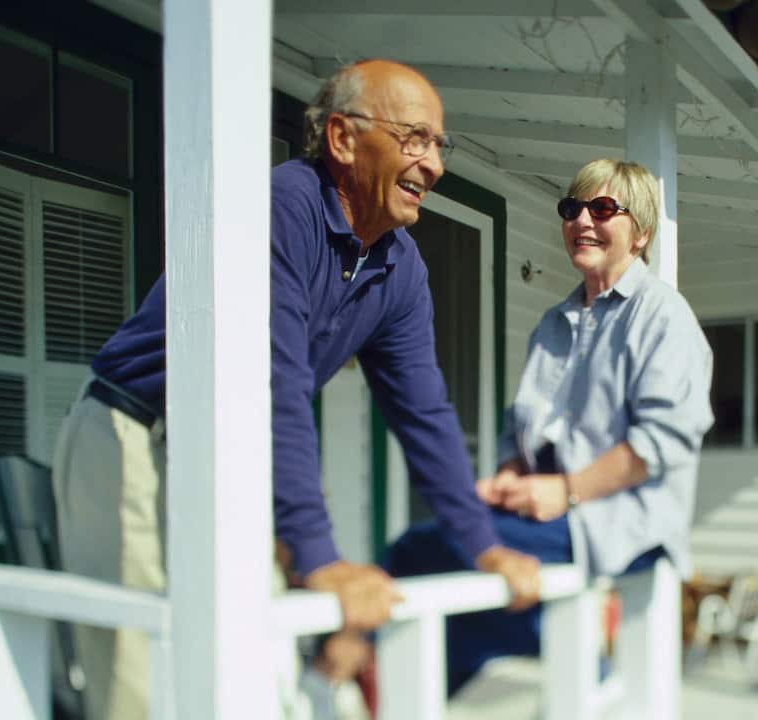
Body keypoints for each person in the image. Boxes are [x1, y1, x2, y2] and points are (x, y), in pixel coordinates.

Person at [50, 59, 541, 720]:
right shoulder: (281, 208)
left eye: (439, 146)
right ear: (342, 138)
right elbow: (270, 383)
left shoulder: (400, 267)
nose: (436, 165)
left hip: (227, 455)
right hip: (134, 434)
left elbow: (423, 413)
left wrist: (483, 546)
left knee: (263, 673)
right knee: (137, 682)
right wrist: (319, 558)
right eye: (416, 139)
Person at [347, 158, 714, 693]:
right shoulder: (553, 325)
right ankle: (419, 692)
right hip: (552, 517)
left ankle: (361, 674)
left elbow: (660, 442)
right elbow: (521, 432)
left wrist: (565, 490)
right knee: (466, 582)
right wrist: (510, 478)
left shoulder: (663, 316)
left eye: (604, 209)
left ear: (641, 235)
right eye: (573, 209)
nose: (583, 220)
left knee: (421, 549)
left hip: (622, 522)